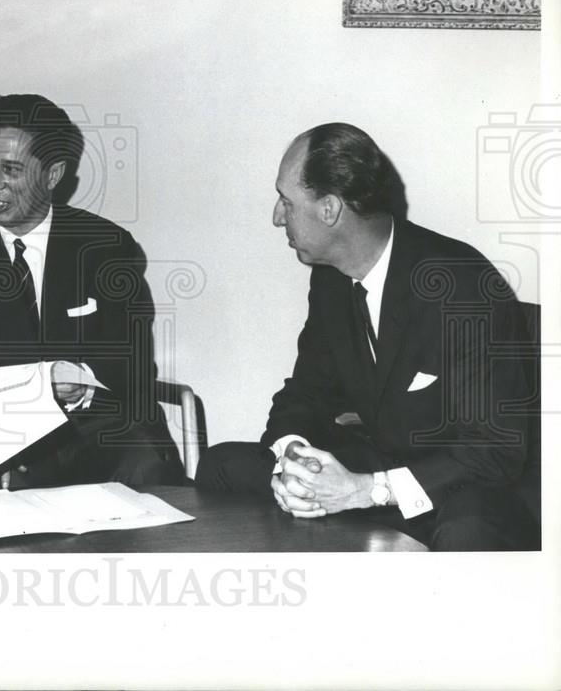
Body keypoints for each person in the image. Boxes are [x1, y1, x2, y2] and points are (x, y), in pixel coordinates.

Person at [195, 122, 537, 550]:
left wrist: (366, 491)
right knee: (220, 465)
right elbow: (306, 393)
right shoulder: (331, 279)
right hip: (378, 471)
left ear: (329, 210)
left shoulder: (461, 285)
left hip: (465, 489)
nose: (277, 217)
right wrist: (293, 462)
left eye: (287, 201)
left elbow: (493, 452)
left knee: (466, 529)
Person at [0, 93, 180, 488]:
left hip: (89, 431)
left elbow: (132, 365)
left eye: (11, 169)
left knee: (143, 457)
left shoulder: (106, 247)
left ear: (52, 175)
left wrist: (81, 382)